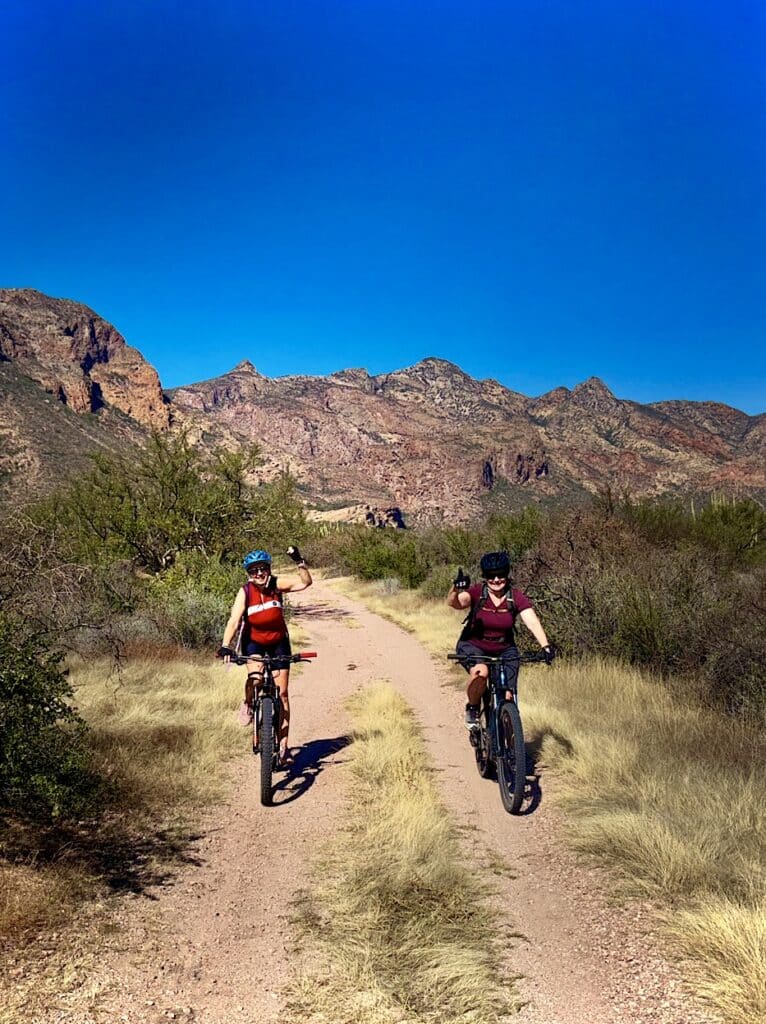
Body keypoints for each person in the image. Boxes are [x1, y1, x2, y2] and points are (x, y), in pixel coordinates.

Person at [218, 547, 312, 764]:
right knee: (256, 678)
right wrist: (225, 645)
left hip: (279, 642)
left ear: (268, 569)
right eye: (253, 571)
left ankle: (283, 747)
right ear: (248, 574)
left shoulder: (277, 585)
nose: (259, 574)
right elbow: (234, 621)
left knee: (284, 694)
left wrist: (299, 561)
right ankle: (249, 702)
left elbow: (305, 583)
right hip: (254, 642)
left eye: (262, 569)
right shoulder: (245, 592)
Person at [447, 551, 554, 729]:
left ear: (507, 574)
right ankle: (473, 708)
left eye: (500, 574)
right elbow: (456, 603)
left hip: (504, 647)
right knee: (481, 673)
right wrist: (456, 589)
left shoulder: (515, 596)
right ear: (485, 577)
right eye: (491, 576)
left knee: (507, 695)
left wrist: (546, 646)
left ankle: (508, 744)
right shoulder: (477, 593)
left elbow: (532, 621)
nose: (496, 580)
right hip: (474, 644)